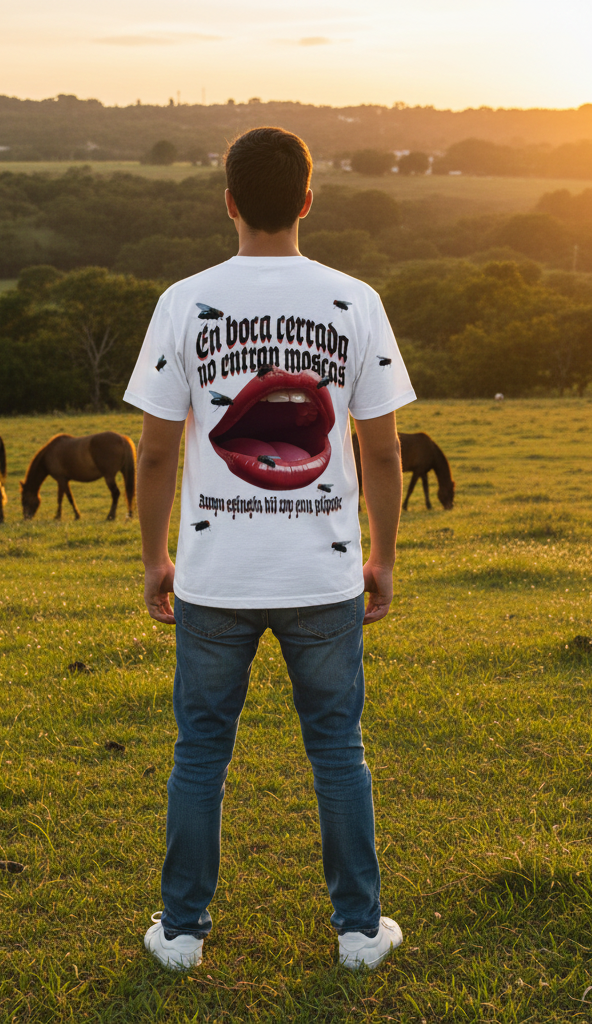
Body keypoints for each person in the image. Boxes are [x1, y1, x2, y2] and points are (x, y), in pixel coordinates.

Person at [123, 126, 415, 971]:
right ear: (307, 201)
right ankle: (360, 932)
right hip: (324, 576)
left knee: (200, 752)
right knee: (338, 750)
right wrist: (383, 556)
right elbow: (385, 450)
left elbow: (153, 450)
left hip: (214, 581)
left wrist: (154, 561)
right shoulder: (355, 300)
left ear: (229, 202)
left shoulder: (182, 300)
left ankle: (181, 935)